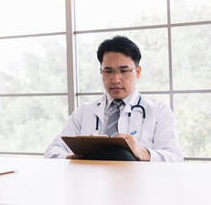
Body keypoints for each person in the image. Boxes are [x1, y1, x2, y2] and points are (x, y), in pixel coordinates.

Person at [44, 35, 183, 162]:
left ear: (138, 72)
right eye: (108, 71)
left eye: (123, 71)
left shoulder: (158, 110)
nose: (115, 79)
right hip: (91, 184)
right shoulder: (84, 112)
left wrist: (144, 153)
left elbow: (175, 158)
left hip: (139, 186)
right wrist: (71, 157)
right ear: (101, 72)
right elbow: (51, 153)